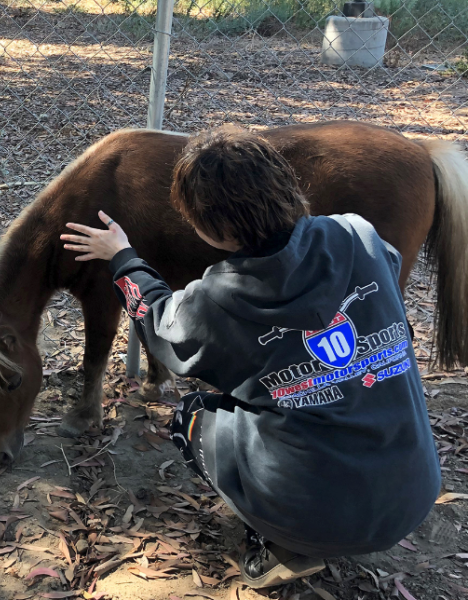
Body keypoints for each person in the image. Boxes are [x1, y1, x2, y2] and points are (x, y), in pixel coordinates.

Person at [59, 127, 441, 588]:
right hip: (414, 495)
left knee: (192, 415)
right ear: (289, 186)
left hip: (314, 515)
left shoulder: (218, 300)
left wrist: (121, 257)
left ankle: (278, 545)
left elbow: (158, 322)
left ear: (207, 230)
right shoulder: (357, 234)